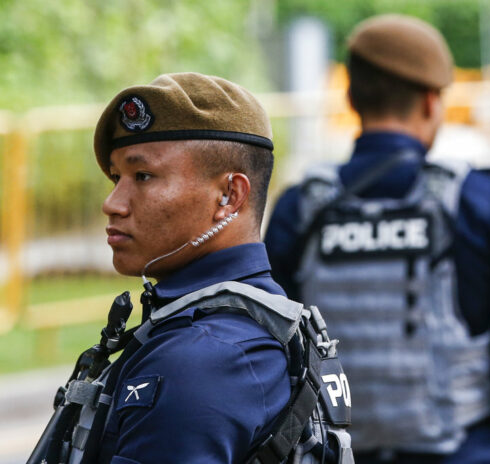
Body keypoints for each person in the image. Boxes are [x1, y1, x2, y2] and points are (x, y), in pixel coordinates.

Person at [264, 15, 490, 464]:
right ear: (430, 102)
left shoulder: (299, 209)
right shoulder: (487, 203)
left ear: (351, 97)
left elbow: (268, 344)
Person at [29, 73, 352, 464]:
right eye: (117, 178)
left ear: (229, 196)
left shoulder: (204, 360)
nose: (113, 202)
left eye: (142, 176)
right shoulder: (242, 321)